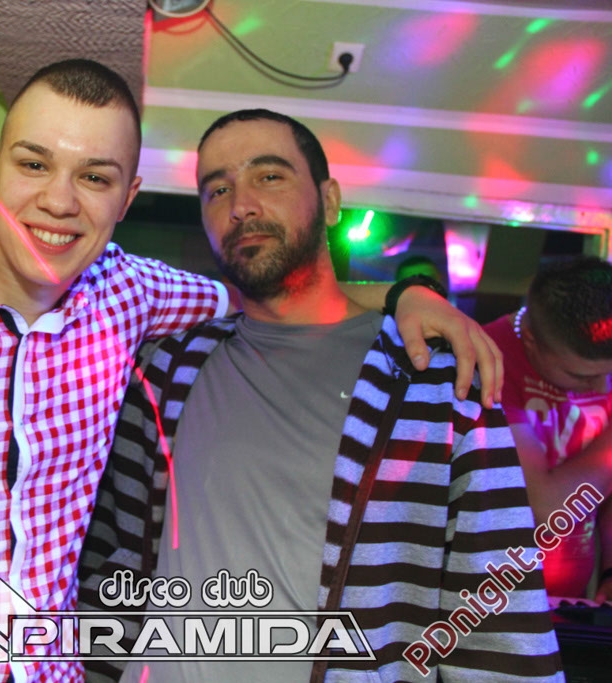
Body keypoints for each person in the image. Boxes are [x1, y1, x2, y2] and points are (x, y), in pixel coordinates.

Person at [0, 58, 498, 683]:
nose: (58, 200)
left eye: (94, 176)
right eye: (34, 164)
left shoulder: (132, 293)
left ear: (127, 196)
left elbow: (272, 290)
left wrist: (407, 294)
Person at [74, 109, 562, 682]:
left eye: (269, 176)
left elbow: (496, 609)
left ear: (329, 202)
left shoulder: (434, 382)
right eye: (218, 190)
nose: (242, 205)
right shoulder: (164, 371)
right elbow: (114, 562)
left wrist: (408, 295)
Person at [483, 258, 612, 601]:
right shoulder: (489, 358)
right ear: (530, 339)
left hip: (570, 598)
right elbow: (550, 509)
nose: (602, 386)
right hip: (491, 600)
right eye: (581, 375)